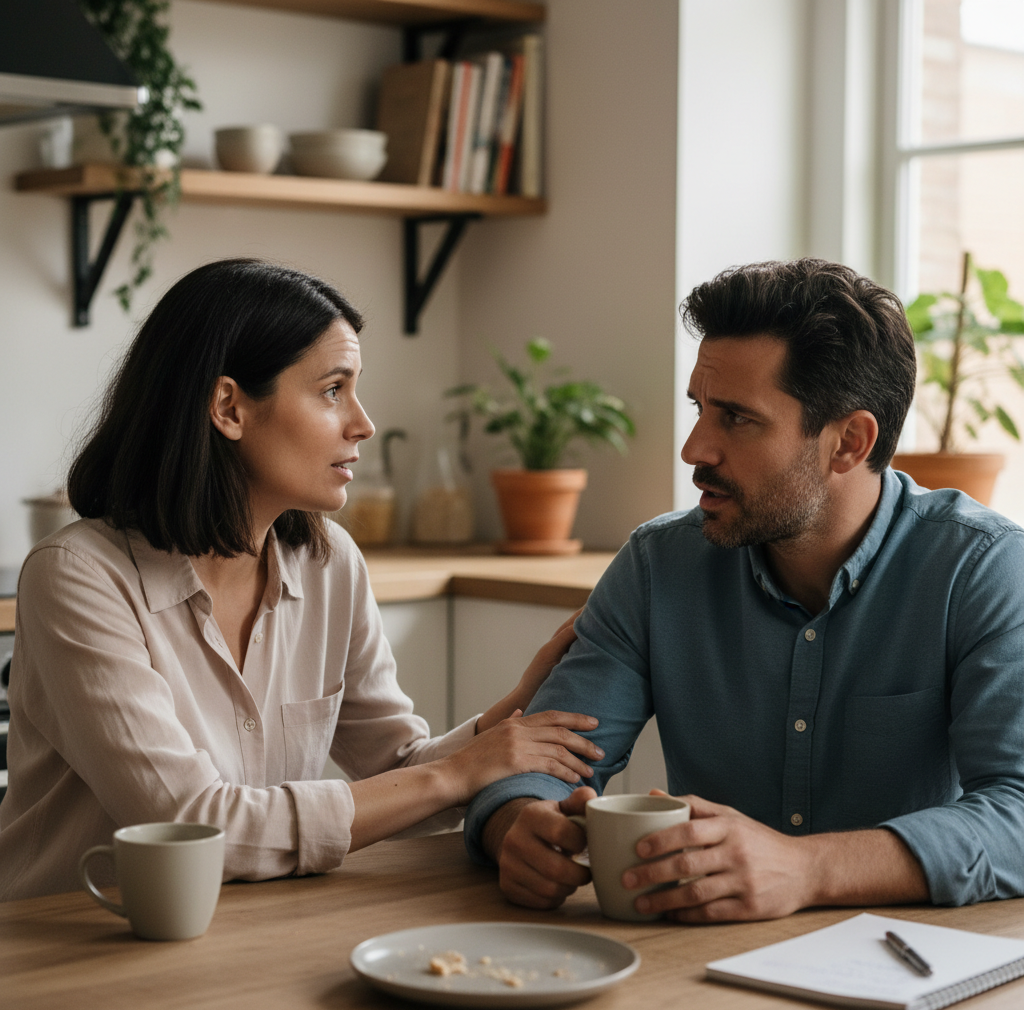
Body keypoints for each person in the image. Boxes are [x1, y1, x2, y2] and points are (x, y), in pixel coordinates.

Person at [0, 258, 602, 902]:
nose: (362, 423)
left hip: (244, 934)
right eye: (333, 390)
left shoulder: (329, 563)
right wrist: (458, 773)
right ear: (229, 407)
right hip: (61, 950)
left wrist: (501, 725)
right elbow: (194, 827)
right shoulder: (79, 578)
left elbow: (396, 773)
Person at [464, 258, 1024, 922]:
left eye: (736, 418)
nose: (694, 449)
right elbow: (540, 760)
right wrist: (518, 825)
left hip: (908, 968)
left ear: (850, 441)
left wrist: (809, 870)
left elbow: (1016, 810)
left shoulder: (983, 568)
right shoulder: (656, 565)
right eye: (700, 410)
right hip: (697, 968)